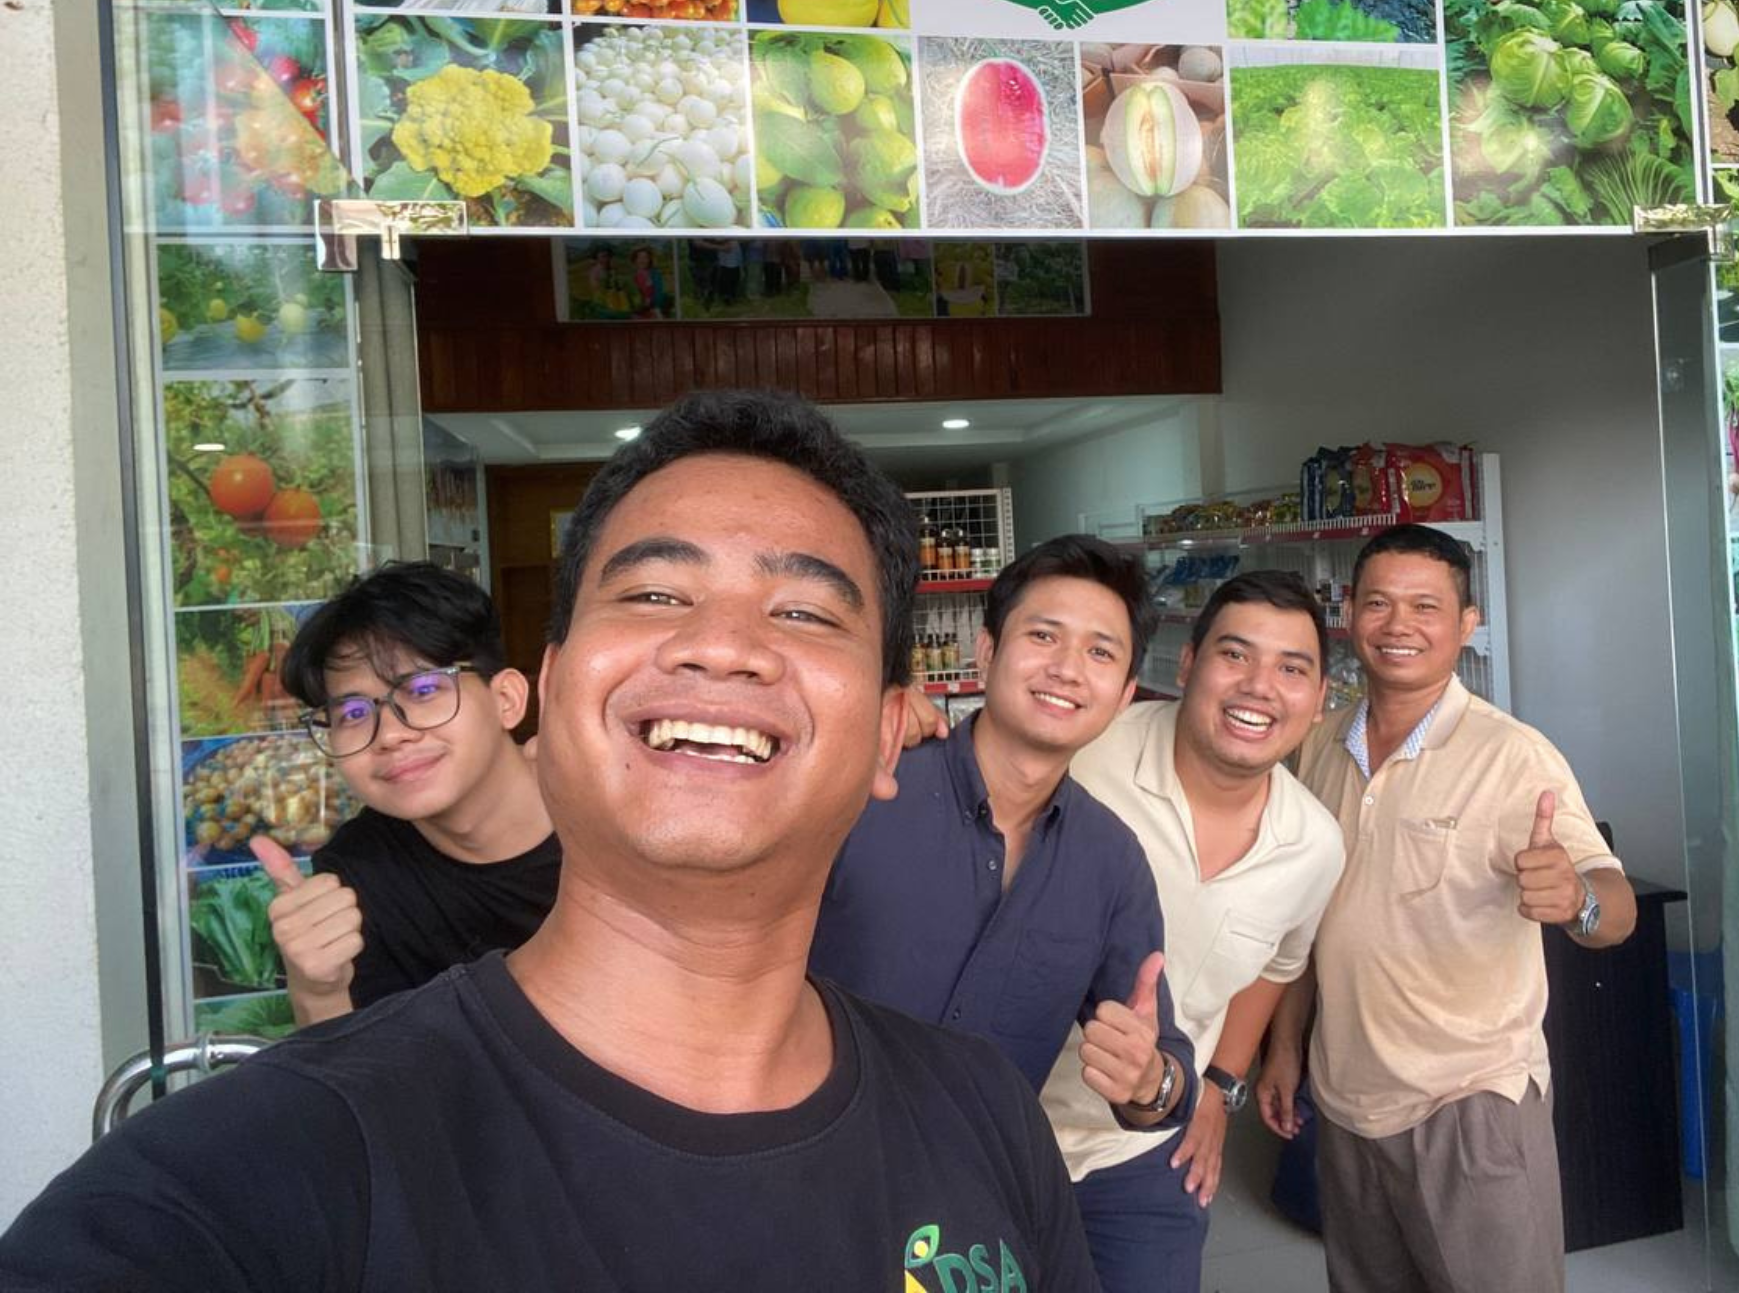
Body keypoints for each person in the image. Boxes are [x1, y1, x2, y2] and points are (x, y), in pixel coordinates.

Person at [0, 391, 1097, 1292]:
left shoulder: (982, 1113)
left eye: (805, 614)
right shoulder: (263, 1172)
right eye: (656, 591)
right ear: (556, 686)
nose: (721, 645)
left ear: (888, 728)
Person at [908, 570, 1347, 1293]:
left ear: (1320, 698)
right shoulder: (1086, 746)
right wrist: (893, 712)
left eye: (1292, 668)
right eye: (1235, 655)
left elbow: (1276, 966)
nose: (1259, 686)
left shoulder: (1314, 845)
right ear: (1187, 665)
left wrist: (1217, 1085)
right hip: (984, 1131)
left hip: (1140, 1142)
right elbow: (979, 761)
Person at [1258, 523, 1638, 1293]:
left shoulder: (1512, 754)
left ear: (1466, 624)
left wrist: (1578, 903)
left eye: (1426, 607)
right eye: (1379, 604)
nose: (1399, 627)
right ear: (1350, 614)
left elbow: (1616, 905)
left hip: (1471, 1104)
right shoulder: (1318, 745)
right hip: (1347, 1097)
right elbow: (1303, 919)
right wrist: (1285, 1047)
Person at [813, 535, 1197, 1132]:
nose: (1066, 669)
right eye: (1043, 636)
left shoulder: (1110, 861)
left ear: (1124, 696)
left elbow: (1163, 1074)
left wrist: (1150, 1081)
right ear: (987, 651)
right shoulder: (869, 785)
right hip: (803, 1154)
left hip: (973, 1188)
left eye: (1100, 653)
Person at [256, 560, 556, 1026]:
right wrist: (319, 991)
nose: (390, 734)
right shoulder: (357, 875)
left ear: (507, 700)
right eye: (353, 713)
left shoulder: (616, 815)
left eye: (422, 688)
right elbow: (360, 1083)